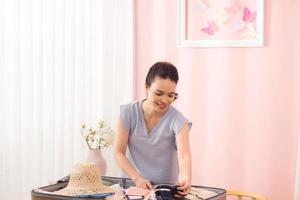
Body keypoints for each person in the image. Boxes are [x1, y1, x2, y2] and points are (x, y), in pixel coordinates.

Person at [114, 61, 192, 196]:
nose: (164, 100)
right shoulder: (128, 113)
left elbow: (184, 157)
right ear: (146, 87)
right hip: (131, 187)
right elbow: (118, 153)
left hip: (163, 191)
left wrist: (186, 179)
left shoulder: (178, 120)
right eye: (159, 93)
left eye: (170, 95)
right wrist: (137, 178)